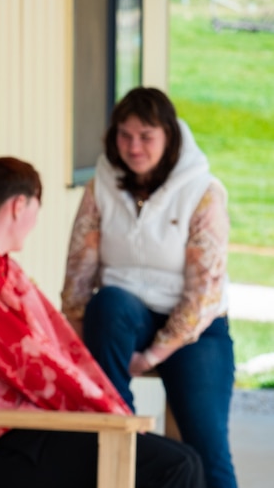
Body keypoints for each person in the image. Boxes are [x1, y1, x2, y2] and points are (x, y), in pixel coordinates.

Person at [0, 156, 204, 488]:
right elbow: (33, 364)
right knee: (176, 466)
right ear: (19, 205)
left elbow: (58, 349)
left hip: (20, 425)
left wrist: (113, 410)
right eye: (37, 209)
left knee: (182, 460)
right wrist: (112, 414)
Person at [62, 86, 236, 488]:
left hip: (195, 329)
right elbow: (79, 268)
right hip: (125, 317)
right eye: (124, 135)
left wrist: (154, 354)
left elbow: (203, 291)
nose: (133, 146)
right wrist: (73, 335)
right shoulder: (101, 185)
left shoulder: (202, 191)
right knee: (107, 303)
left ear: (168, 137)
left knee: (207, 446)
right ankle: (123, 422)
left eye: (146, 136)